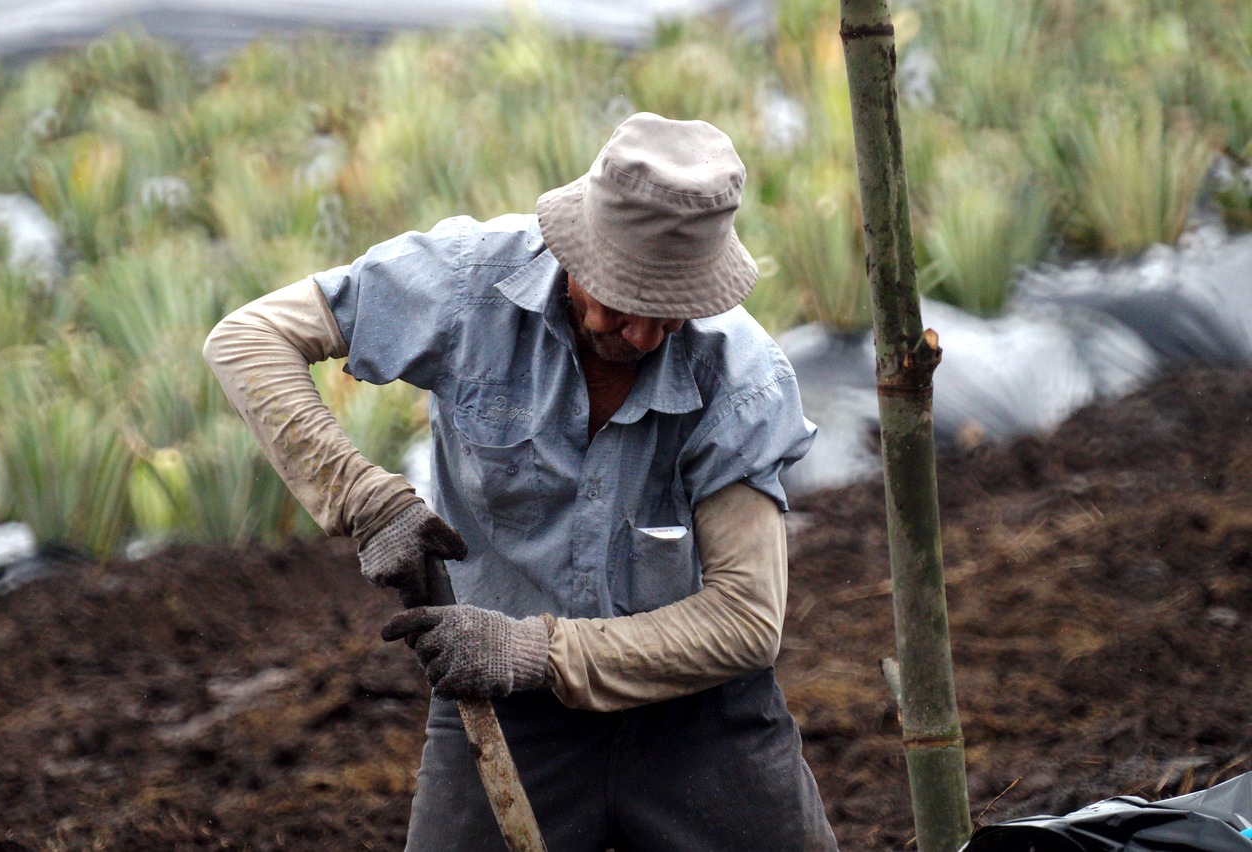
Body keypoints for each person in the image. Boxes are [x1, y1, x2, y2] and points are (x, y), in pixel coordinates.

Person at [204, 112, 837, 850]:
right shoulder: (469, 286)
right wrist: (364, 499)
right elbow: (248, 340)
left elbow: (744, 621)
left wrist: (536, 650)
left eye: (669, 313)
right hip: (502, 709)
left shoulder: (739, 377)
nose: (640, 336)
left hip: (697, 716)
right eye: (626, 299)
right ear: (576, 251)